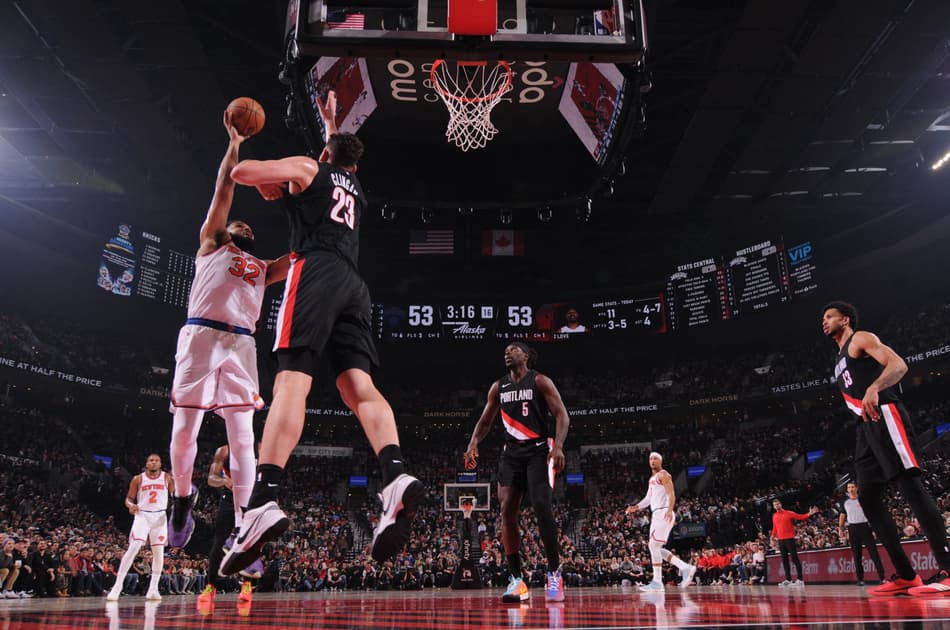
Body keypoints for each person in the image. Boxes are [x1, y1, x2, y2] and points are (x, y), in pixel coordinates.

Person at [220, 90, 423, 576]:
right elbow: (336, 162)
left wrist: (261, 160)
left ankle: (263, 498)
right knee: (360, 388)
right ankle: (395, 475)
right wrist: (331, 127)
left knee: (291, 382)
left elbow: (241, 174)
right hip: (355, 284)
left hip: (313, 272)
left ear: (325, 155)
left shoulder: (310, 169)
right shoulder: (354, 187)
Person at [167, 109, 289, 550]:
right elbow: (224, 190)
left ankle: (244, 529)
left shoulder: (264, 267)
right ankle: (182, 500)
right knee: (186, 429)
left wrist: (306, 200)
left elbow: (305, 253)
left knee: (243, 440)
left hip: (241, 344)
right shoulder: (211, 244)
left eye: (248, 226)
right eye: (239, 222)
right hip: (200, 334)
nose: (243, 223)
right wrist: (234, 145)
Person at [823, 301, 950, 596]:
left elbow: (899, 365)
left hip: (884, 413)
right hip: (864, 427)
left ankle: (947, 568)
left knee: (910, 487)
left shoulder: (861, 338)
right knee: (867, 497)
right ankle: (906, 575)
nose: (824, 321)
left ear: (845, 319)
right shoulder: (838, 358)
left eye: (829, 316)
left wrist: (874, 387)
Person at [463, 342, 571, 603]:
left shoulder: (541, 381)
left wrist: (558, 446)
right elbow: (486, 420)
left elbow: (562, 416)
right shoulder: (499, 386)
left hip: (537, 451)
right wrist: (473, 442)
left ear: (526, 355)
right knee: (506, 510)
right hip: (511, 454)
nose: (507, 353)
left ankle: (554, 572)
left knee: (542, 507)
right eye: (505, 351)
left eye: (513, 349)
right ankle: (516, 579)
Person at [197, 443, 258, 606]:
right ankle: (211, 586)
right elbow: (211, 479)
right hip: (230, 500)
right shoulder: (224, 450)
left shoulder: (258, 447)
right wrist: (224, 481)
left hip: (251, 499)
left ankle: (246, 585)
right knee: (218, 544)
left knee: (248, 543)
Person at [625, 452, 696, 591]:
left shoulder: (664, 474)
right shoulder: (652, 478)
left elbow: (671, 493)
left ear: (661, 461)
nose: (652, 460)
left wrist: (670, 509)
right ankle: (685, 567)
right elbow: (648, 499)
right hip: (656, 513)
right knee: (656, 548)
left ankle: (657, 582)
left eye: (655, 458)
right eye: (650, 458)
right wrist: (636, 507)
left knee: (653, 546)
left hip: (664, 511)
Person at [107, 454, 173, 601]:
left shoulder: (167, 477)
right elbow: (129, 498)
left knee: (158, 552)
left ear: (160, 464)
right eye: (151, 460)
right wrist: (131, 505)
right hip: (142, 515)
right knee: (134, 548)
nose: (154, 462)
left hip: (160, 516)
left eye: (157, 460)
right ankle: (117, 587)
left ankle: (153, 589)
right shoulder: (138, 478)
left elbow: (176, 496)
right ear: (146, 463)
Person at [837, 481, 886, 586]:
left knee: (874, 553)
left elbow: (872, 513)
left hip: (865, 526)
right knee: (856, 555)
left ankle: (882, 577)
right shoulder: (844, 502)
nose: (850, 489)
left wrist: (875, 527)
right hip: (852, 528)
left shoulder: (863, 499)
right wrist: (840, 528)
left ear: (857, 488)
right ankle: (860, 579)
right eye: (849, 487)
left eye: (852, 487)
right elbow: (842, 515)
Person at [769, 498, 818, 587]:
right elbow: (775, 528)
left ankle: (800, 579)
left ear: (781, 504)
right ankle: (788, 580)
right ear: (773, 506)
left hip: (789, 539)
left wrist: (809, 513)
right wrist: (772, 537)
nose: (777, 506)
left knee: (794, 558)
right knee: (784, 560)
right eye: (775, 505)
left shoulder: (788, 513)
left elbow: (800, 517)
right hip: (781, 540)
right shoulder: (774, 516)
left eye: (778, 504)